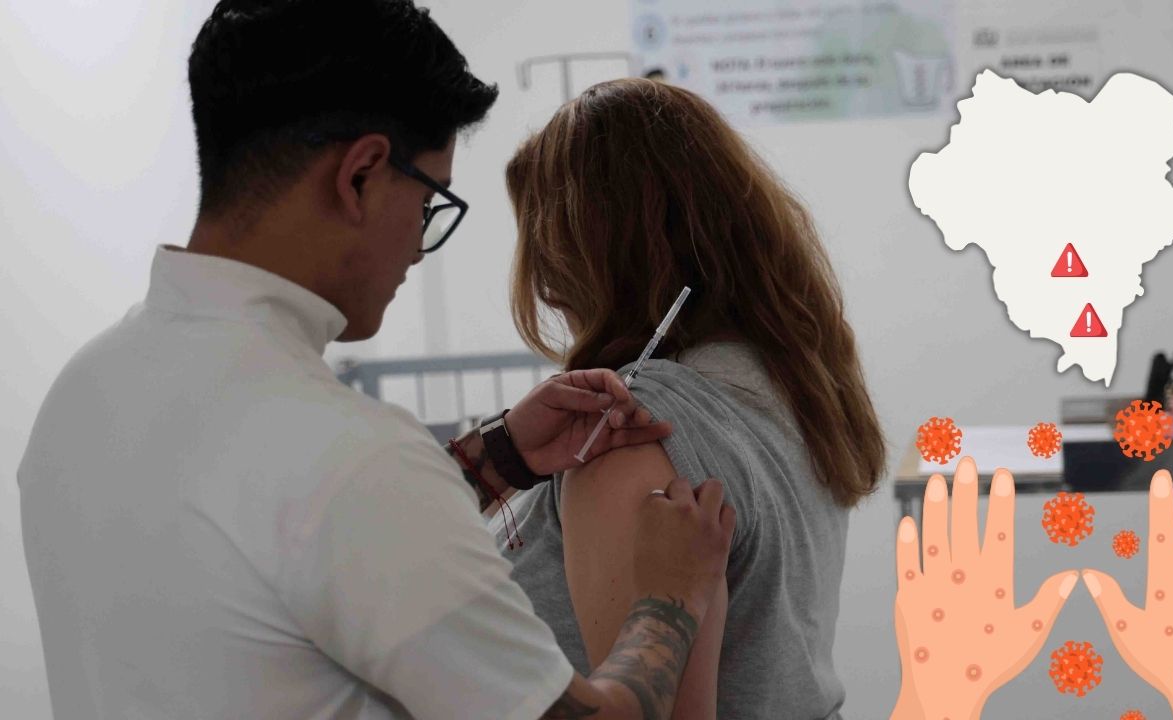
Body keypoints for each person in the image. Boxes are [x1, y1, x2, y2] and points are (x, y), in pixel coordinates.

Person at [17, 3, 734, 719]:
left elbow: (291, 552)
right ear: (360, 175)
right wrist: (669, 596)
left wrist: (501, 456)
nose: (419, 250)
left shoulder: (84, 392)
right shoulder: (351, 457)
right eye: (429, 204)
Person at [500, 78, 887, 718]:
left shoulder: (630, 438)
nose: (544, 285)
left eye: (546, 247)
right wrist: (498, 455)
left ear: (587, 254)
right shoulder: (793, 383)